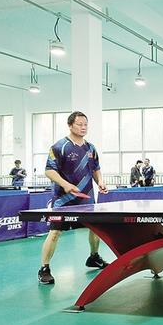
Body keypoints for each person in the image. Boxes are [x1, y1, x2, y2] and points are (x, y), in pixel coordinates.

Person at [38, 111, 109, 285]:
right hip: (63, 199)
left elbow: (95, 168)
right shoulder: (59, 146)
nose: (83, 127)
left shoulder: (91, 148)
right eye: (79, 124)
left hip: (87, 198)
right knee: (55, 232)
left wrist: (100, 181)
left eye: (85, 124)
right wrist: (65, 184)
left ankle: (94, 257)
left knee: (96, 228)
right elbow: (49, 171)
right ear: (70, 125)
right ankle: (44, 269)